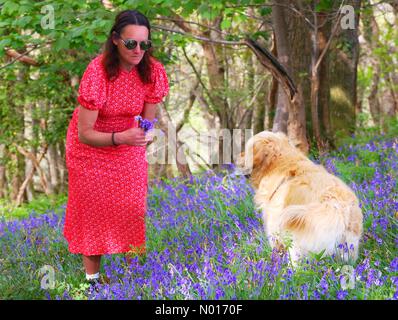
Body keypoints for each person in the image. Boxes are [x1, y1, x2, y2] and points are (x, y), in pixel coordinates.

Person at [63, 9, 169, 285]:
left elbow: (147, 119)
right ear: (115, 40)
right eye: (130, 43)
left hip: (127, 143)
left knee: (132, 208)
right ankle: (92, 280)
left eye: (144, 44)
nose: (138, 50)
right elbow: (85, 133)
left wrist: (142, 137)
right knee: (94, 208)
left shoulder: (153, 71)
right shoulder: (98, 72)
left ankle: (133, 278)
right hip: (91, 147)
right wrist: (118, 138)